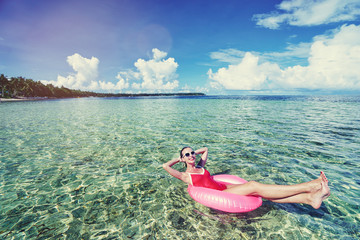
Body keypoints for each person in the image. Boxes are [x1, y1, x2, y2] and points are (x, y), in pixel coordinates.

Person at [163, 146, 330, 209]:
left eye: (192, 152)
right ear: (183, 159)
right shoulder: (186, 176)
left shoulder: (200, 166)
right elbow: (165, 166)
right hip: (224, 194)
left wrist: (193, 153)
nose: (192, 155)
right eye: (188, 154)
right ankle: (310, 186)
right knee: (254, 185)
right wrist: (179, 158)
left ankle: (309, 199)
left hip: (225, 188)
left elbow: (206, 149)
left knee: (262, 194)